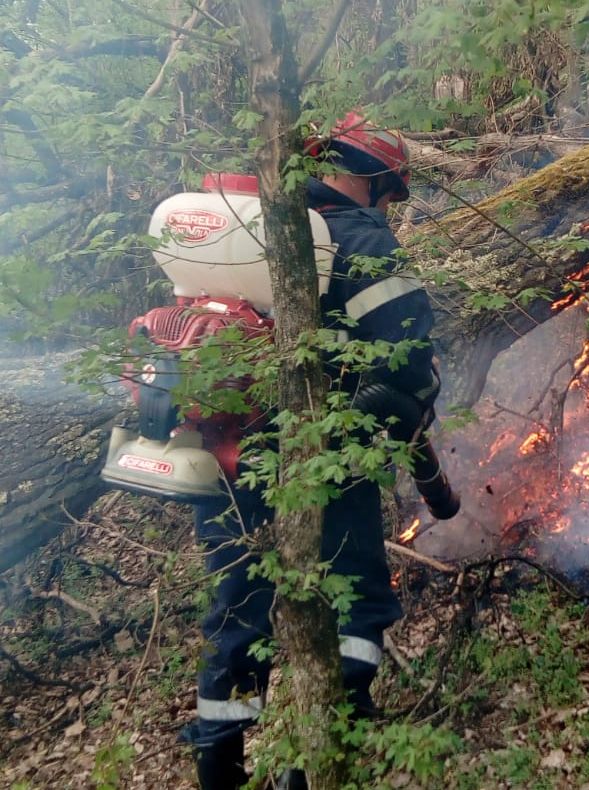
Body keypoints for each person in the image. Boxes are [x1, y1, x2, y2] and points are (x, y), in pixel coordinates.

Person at [180, 111, 441, 789]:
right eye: (389, 195)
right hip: (324, 456)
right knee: (358, 603)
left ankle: (220, 767)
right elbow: (410, 363)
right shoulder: (359, 239)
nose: (388, 208)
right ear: (379, 181)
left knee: (238, 605)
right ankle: (320, 760)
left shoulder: (249, 227)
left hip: (222, 452)